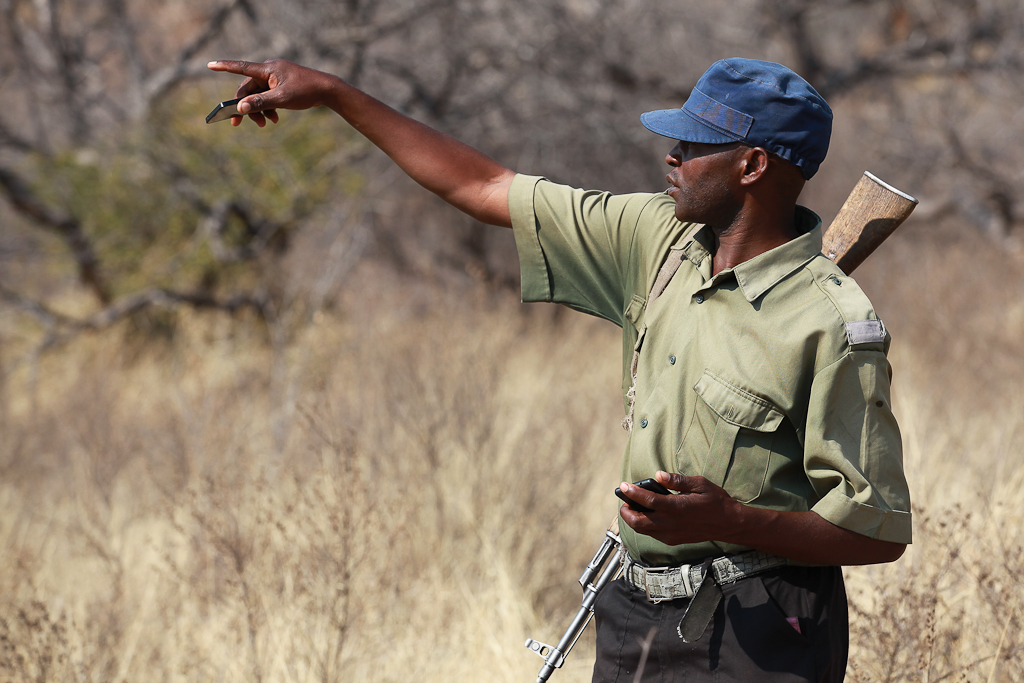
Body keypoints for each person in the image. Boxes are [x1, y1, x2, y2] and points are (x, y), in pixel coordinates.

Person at [207, 56, 912, 682]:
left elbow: (875, 529)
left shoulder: (831, 323)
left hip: (761, 632)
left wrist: (733, 518)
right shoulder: (656, 239)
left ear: (752, 165)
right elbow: (484, 186)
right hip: (635, 612)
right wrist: (334, 93)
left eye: (695, 144)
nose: (672, 155)